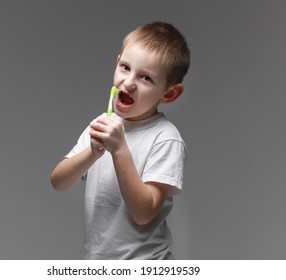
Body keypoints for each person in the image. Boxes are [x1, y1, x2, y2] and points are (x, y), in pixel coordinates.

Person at [50, 21, 191, 260]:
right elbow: (59, 182)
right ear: (116, 63)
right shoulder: (103, 124)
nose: (129, 82)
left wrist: (119, 150)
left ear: (169, 93)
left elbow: (144, 213)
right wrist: (92, 153)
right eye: (125, 67)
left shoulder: (165, 139)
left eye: (146, 78)